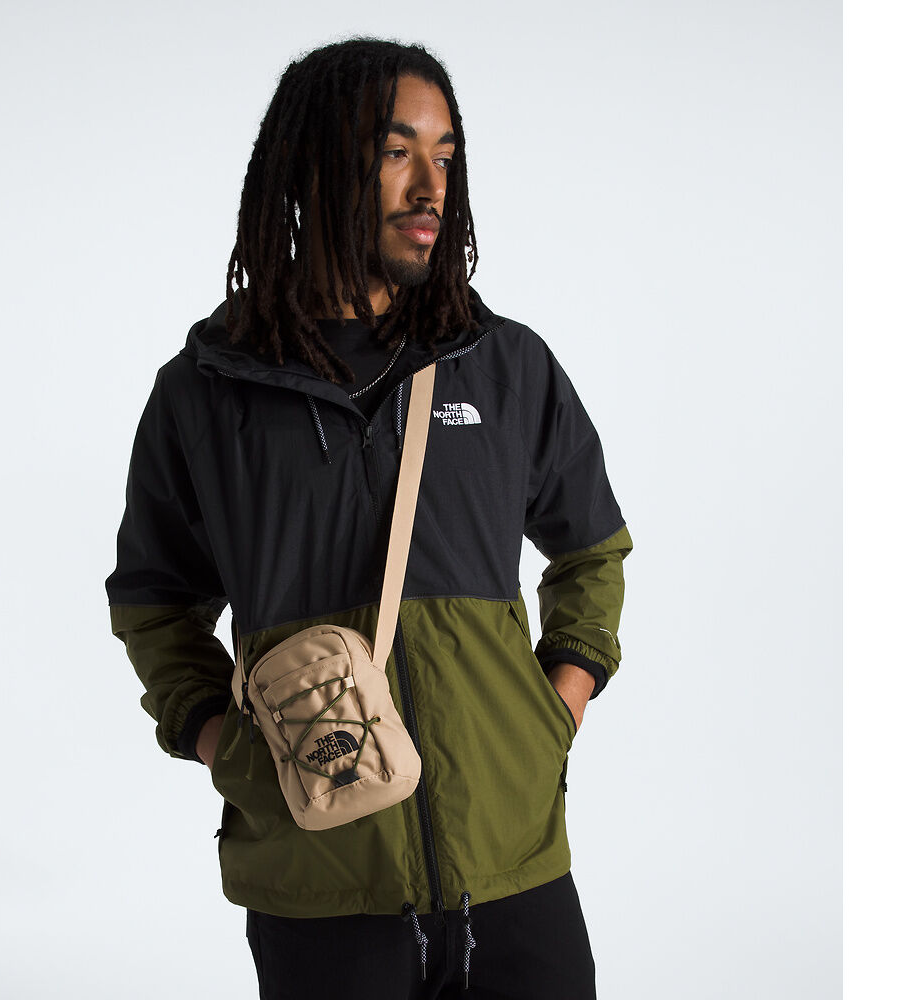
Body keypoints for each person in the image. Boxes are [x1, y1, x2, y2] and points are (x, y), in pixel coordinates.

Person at [106, 36, 633, 1000]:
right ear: (314, 166)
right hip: (319, 883)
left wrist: (551, 715)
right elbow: (153, 601)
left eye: (445, 156)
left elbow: (592, 549)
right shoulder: (207, 393)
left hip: (516, 872)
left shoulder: (504, 366)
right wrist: (224, 744)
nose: (431, 187)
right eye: (396, 152)